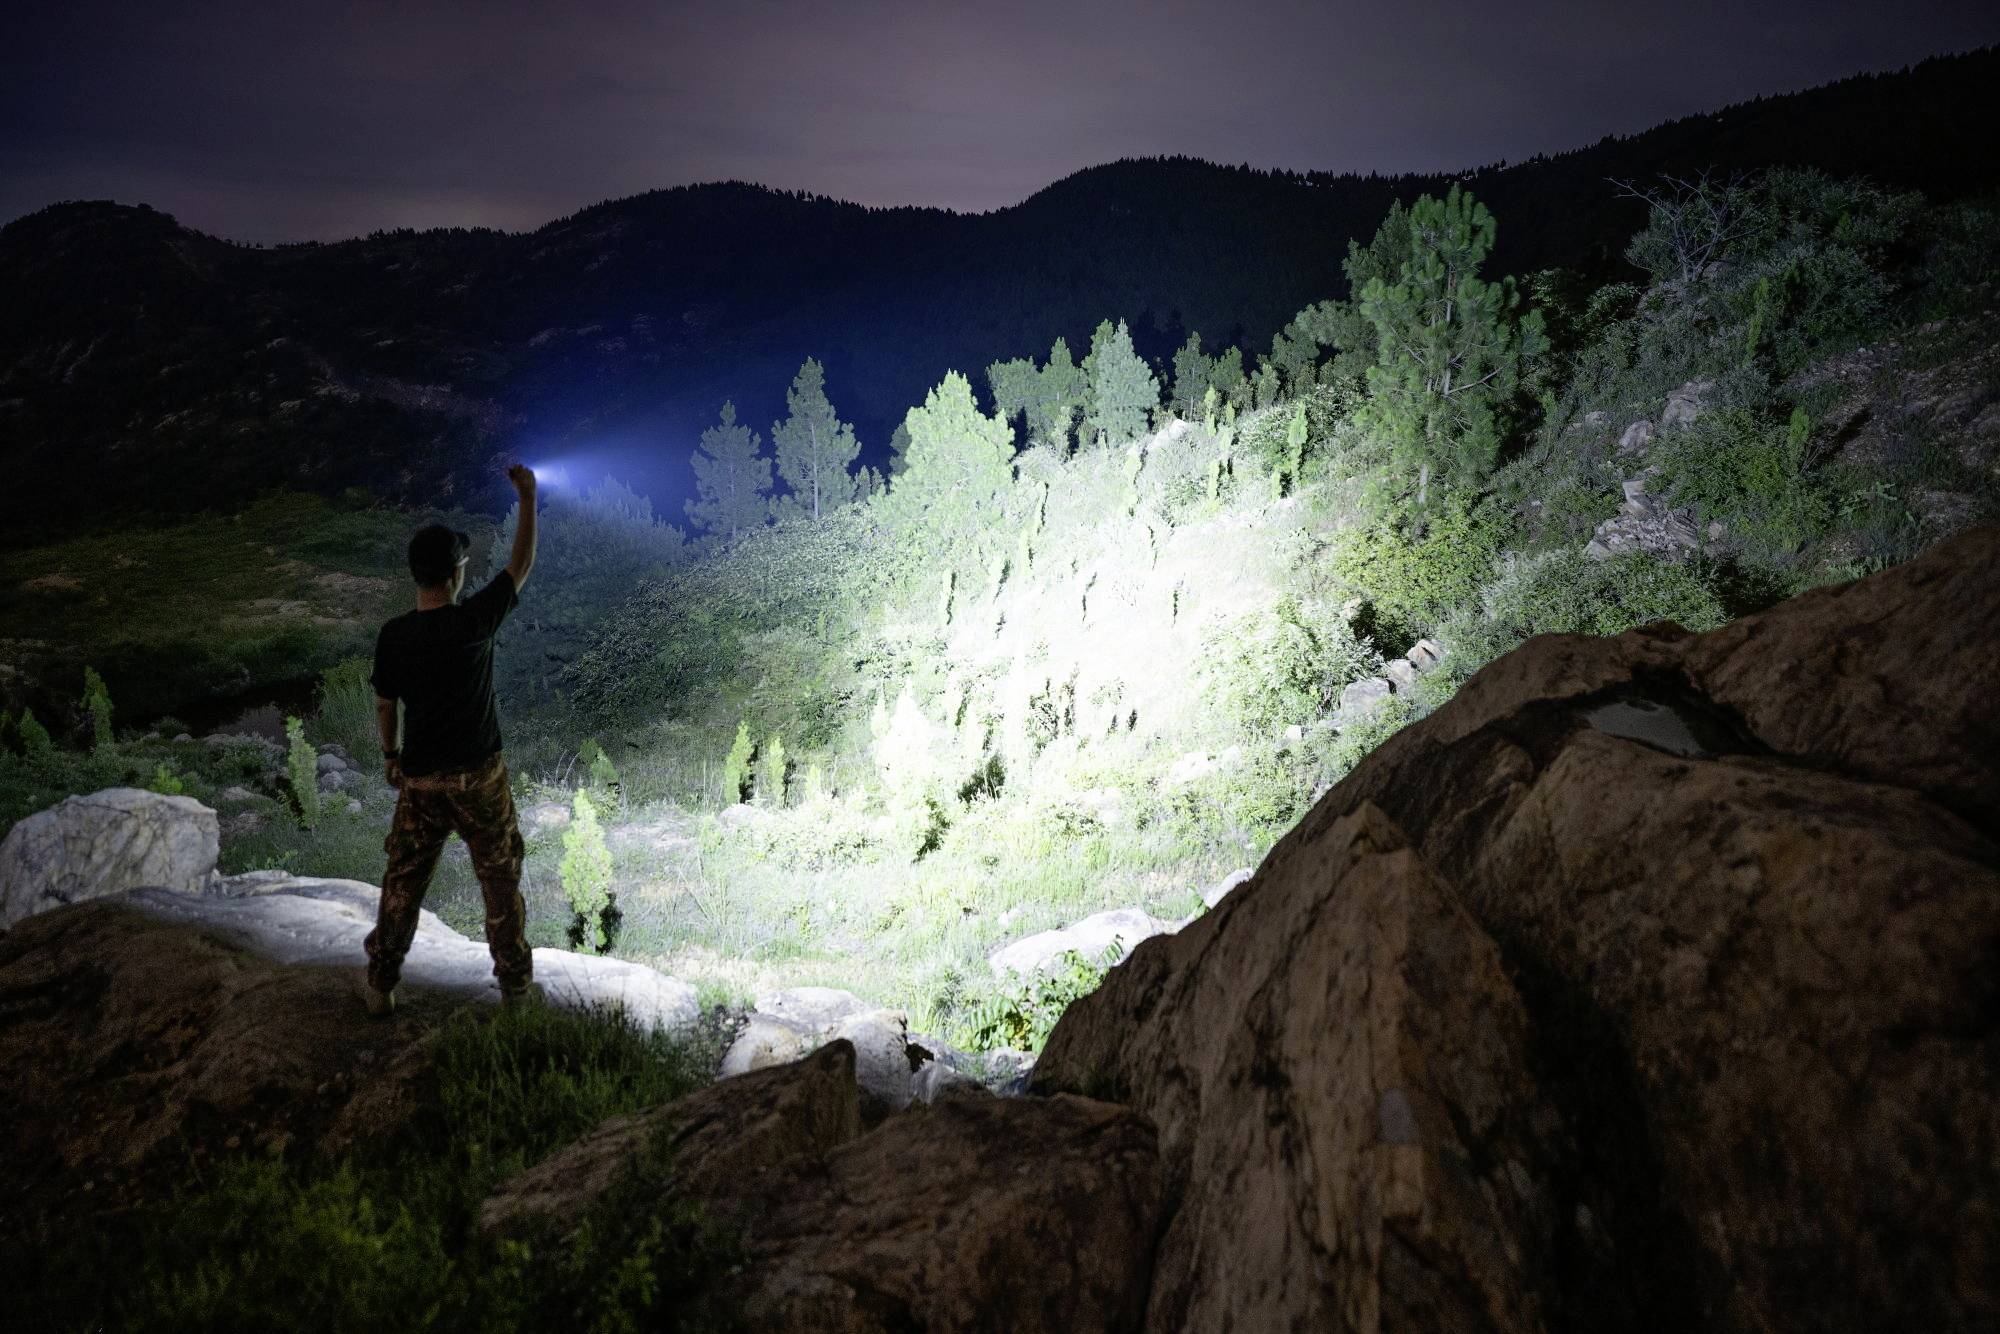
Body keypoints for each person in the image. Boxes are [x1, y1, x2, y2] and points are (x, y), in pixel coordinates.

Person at [362, 463, 539, 1016]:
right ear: (456, 574)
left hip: (420, 781)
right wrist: (528, 497)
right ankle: (514, 991)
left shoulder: (395, 636)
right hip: (478, 779)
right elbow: (520, 563)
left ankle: (380, 987)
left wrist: (391, 757)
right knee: (500, 878)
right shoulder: (474, 623)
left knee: (403, 883)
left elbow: (386, 704)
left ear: (418, 576)